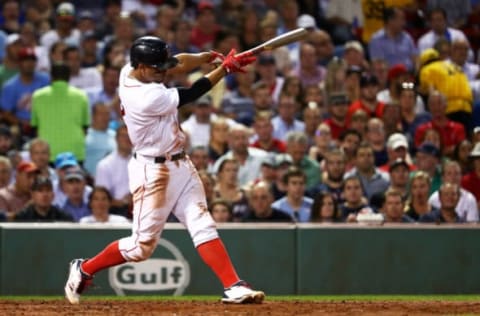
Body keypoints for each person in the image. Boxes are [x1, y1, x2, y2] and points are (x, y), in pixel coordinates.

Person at [64, 36, 264, 305]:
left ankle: (233, 285)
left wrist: (207, 57)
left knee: (202, 223)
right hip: (153, 172)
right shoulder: (146, 96)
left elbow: (177, 63)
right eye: (156, 68)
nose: (162, 72)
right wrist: (225, 69)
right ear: (141, 67)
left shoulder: (132, 69)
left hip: (180, 163)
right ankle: (84, 268)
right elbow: (193, 92)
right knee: (140, 248)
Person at [30, 63, 90, 164]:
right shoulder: (81, 96)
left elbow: (34, 126)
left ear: (51, 77)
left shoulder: (37, 96)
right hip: (75, 152)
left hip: (46, 153)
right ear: (69, 76)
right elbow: (85, 127)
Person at [95, 124, 132, 217]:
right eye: (124, 136)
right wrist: (124, 201)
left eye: (131, 136)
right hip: (117, 210)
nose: (127, 139)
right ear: (116, 139)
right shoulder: (105, 164)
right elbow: (101, 197)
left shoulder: (144, 161)